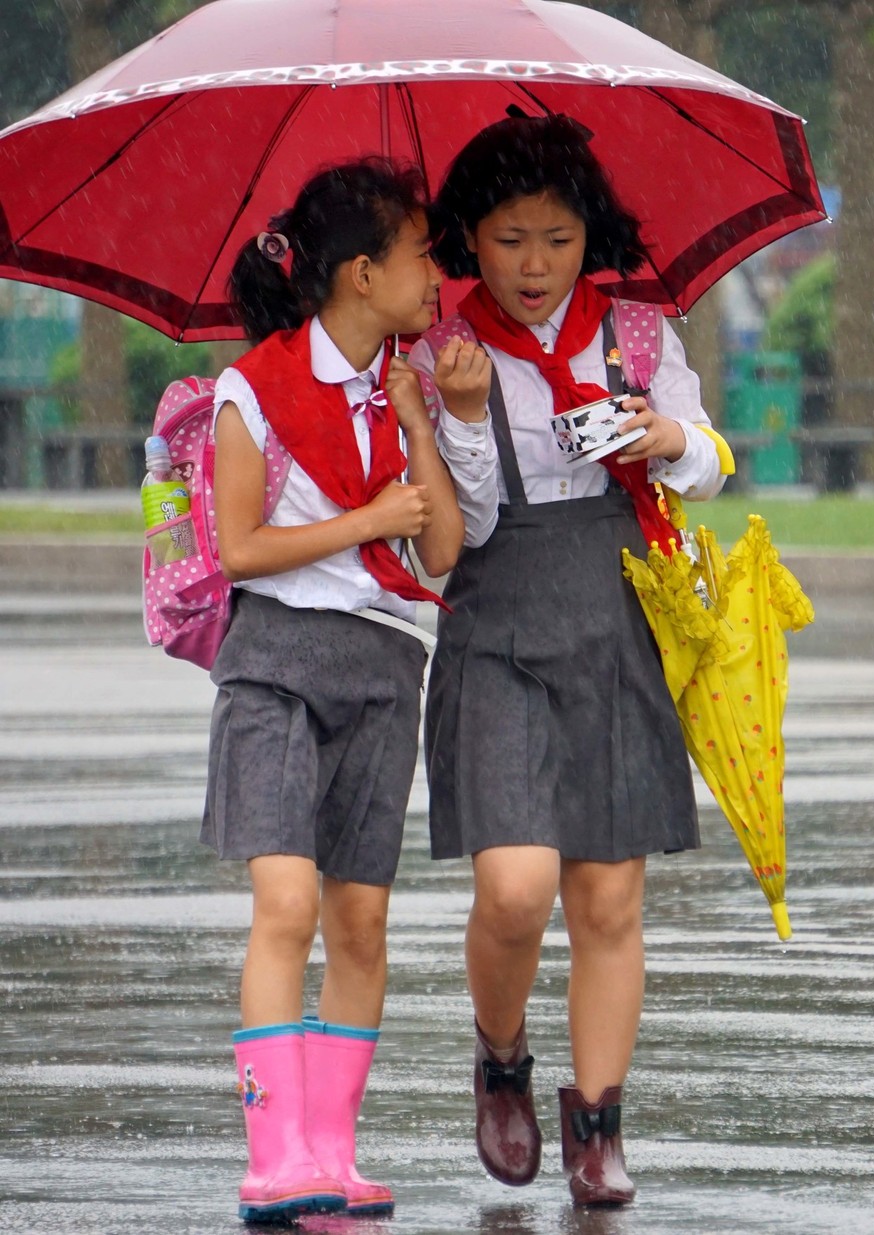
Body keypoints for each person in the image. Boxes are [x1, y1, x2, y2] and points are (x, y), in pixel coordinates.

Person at [408, 113, 728, 1208]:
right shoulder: (439, 350)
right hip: (494, 623)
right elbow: (462, 529)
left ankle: (598, 1124)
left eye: (556, 235)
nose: (534, 264)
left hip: (617, 619)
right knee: (516, 884)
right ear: (467, 240)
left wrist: (668, 439)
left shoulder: (637, 337)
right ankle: (501, 1057)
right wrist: (456, 414)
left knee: (608, 895)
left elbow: (715, 460)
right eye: (507, 239)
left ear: (590, 231)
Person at [200, 158, 463, 1224]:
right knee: (288, 903)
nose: (438, 272)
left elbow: (439, 546)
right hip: (275, 662)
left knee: (359, 920)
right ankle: (275, 1156)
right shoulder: (252, 388)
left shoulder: (410, 380)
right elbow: (240, 548)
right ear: (361, 273)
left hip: (387, 665)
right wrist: (364, 521)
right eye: (422, 253)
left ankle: (332, 1153)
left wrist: (419, 424)